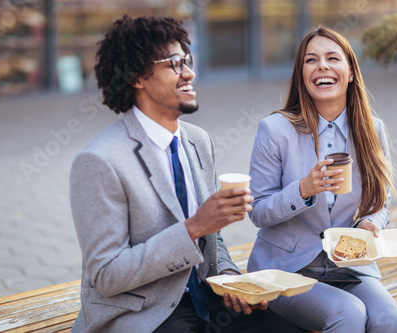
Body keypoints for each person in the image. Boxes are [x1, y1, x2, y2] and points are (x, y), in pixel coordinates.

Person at [69, 15, 299, 333]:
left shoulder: (197, 140)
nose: (189, 73)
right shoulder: (99, 161)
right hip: (144, 311)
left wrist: (231, 279)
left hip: (205, 296)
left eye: (187, 61)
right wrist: (193, 227)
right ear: (137, 76)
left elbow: (212, 238)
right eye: (175, 63)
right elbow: (106, 276)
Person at [247, 26, 397, 332]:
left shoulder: (372, 129)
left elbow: (380, 201)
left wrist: (371, 222)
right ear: (302, 74)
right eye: (311, 60)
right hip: (285, 268)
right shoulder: (274, 130)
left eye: (332, 58)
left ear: (349, 73)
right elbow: (258, 211)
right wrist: (303, 190)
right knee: (348, 313)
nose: (322, 65)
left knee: (388, 317)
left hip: (349, 266)